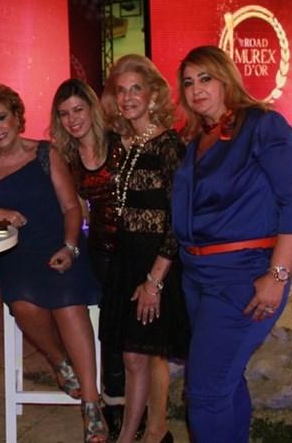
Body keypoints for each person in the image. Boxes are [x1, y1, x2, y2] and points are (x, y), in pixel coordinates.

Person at [172, 46, 292, 442]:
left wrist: (278, 275)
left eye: (205, 78)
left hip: (242, 277)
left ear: (227, 79)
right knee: (225, 383)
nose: (196, 89)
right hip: (196, 277)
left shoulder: (262, 125)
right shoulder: (196, 139)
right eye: (188, 82)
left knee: (204, 393)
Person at [0, 83, 107, 442]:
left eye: (1, 118)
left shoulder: (45, 153)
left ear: (16, 116)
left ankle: (91, 404)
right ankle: (58, 359)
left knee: (69, 306)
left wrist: (69, 247)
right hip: (16, 253)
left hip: (61, 243)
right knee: (23, 304)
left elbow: (71, 208)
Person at [98, 54, 189, 443]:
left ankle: (138, 435)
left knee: (139, 355)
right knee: (143, 354)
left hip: (157, 262)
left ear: (153, 94)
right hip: (126, 259)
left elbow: (179, 219)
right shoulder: (122, 144)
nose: (128, 97)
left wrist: (155, 280)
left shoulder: (168, 144)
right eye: (121, 90)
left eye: (136, 88)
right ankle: (155, 431)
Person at [49, 79, 140, 439]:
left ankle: (142, 407)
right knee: (112, 329)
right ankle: (114, 403)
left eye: (78, 109)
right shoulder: (67, 158)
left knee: (139, 333)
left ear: (92, 108)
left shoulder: (123, 140)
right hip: (101, 250)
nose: (72, 119)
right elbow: (73, 208)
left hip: (139, 246)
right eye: (64, 114)